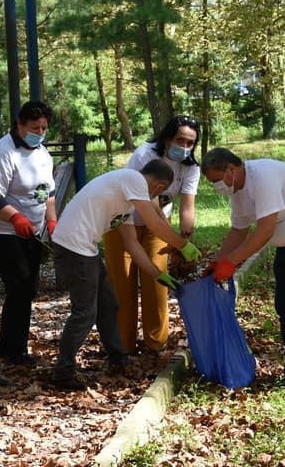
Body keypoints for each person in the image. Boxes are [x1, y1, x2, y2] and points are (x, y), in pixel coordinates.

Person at [48, 159, 201, 390]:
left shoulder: (126, 202)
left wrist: (157, 273)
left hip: (84, 248)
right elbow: (154, 224)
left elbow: (132, 245)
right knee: (85, 313)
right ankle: (63, 372)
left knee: (109, 305)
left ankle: (117, 359)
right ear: (159, 187)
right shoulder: (133, 179)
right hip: (72, 247)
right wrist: (183, 245)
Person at [201, 148, 285, 386]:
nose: (217, 187)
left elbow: (265, 230)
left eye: (216, 180)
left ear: (231, 169)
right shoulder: (238, 189)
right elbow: (239, 229)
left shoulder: (263, 177)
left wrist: (232, 262)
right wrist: (219, 261)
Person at [103, 115, 201, 356]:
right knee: (123, 287)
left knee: (157, 284)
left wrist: (185, 241)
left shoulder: (191, 167)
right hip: (122, 222)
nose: (185, 147)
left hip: (158, 226)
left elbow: (187, 207)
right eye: (180, 140)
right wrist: (176, 242)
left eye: (191, 143)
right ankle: (121, 349)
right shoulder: (146, 154)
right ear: (167, 138)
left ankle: (156, 345)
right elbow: (152, 206)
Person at [0, 100, 59, 367]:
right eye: (35, 127)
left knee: (27, 288)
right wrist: (15, 217)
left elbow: (49, 193)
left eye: (44, 128)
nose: (41, 132)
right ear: (20, 125)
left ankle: (12, 347)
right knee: (20, 284)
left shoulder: (43, 153)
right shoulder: (3, 152)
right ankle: (13, 351)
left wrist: (53, 221)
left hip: (30, 232)